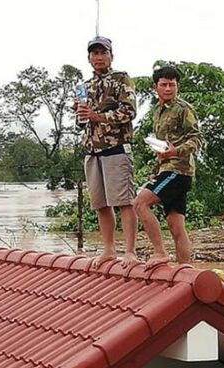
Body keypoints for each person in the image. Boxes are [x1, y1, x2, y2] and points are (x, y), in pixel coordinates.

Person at [75, 36, 138, 268]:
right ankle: (109, 249)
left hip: (116, 148)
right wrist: (81, 114)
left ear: (111, 55)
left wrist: (98, 116)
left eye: (103, 53)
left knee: (124, 201)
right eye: (94, 53)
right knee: (100, 204)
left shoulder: (121, 79)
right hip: (92, 150)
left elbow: (129, 112)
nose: (99, 57)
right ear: (89, 58)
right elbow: (81, 123)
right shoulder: (84, 86)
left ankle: (130, 251)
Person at [133, 66, 203, 268]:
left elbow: (196, 139)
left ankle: (160, 252)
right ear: (156, 87)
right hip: (165, 169)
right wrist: (155, 171)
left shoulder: (184, 109)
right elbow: (161, 146)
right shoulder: (157, 112)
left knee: (140, 204)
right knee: (176, 225)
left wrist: (176, 151)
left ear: (177, 86)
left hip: (178, 170)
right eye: (164, 84)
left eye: (172, 84)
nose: (168, 88)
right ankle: (185, 269)